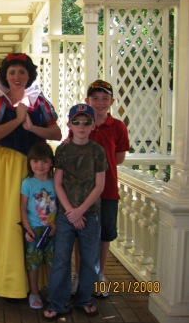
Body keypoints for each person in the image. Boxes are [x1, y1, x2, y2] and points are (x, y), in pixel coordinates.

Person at [0, 53, 62, 300]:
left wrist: (31, 127)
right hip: (2, 168)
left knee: (30, 218)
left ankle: (29, 283)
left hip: (31, 167)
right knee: (0, 220)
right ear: (5, 75)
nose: (17, 77)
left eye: (22, 72)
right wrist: (17, 120)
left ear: (29, 76)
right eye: (12, 72)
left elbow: (56, 133)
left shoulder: (40, 101)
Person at [43, 103, 107, 320]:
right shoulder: (62, 150)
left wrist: (80, 211)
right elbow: (58, 183)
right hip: (66, 215)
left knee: (89, 259)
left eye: (86, 122)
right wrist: (71, 211)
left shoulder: (98, 151)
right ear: (69, 124)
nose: (82, 126)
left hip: (91, 213)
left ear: (93, 125)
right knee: (61, 259)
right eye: (77, 121)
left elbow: (99, 186)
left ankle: (85, 299)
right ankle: (57, 302)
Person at [70, 80, 130, 297]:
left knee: (105, 235)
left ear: (112, 101)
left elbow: (119, 157)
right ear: (87, 101)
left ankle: (99, 274)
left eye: (105, 98)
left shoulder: (118, 127)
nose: (100, 102)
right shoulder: (81, 122)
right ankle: (78, 275)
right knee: (80, 234)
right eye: (95, 98)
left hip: (108, 191)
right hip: (81, 193)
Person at [20, 142, 57, 309]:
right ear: (30, 163)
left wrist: (56, 225)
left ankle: (52, 291)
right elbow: (22, 208)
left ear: (51, 163)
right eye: (35, 161)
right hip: (34, 230)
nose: (40, 165)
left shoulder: (56, 182)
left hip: (53, 230)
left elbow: (61, 205)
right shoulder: (27, 183)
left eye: (44, 161)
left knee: (52, 262)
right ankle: (34, 293)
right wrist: (27, 229)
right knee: (33, 263)